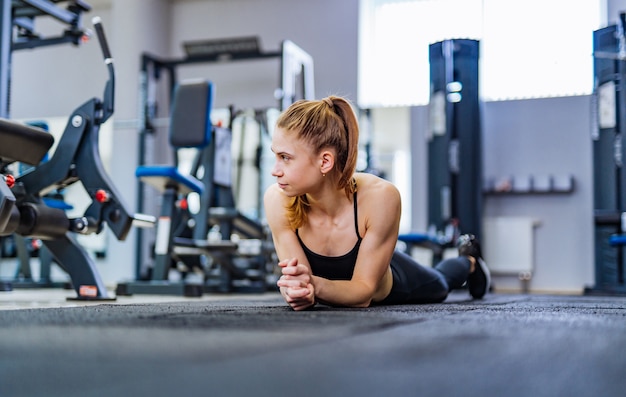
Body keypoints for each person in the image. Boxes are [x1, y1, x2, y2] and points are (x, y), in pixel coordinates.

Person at [263, 95, 490, 311]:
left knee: (440, 284)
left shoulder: (380, 197)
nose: (275, 171)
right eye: (276, 156)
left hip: (389, 282)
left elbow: (363, 293)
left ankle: (468, 260)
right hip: (343, 287)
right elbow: (298, 280)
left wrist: (312, 286)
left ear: (325, 161)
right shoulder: (277, 200)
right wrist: (297, 291)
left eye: (285, 158)